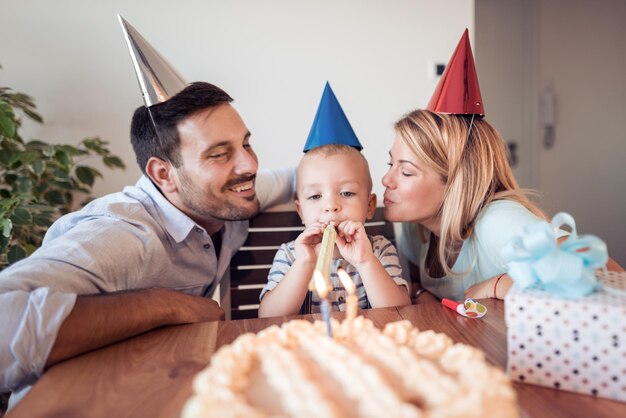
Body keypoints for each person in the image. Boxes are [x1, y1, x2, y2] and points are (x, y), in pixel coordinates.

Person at [0, 21, 294, 397]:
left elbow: (301, 175)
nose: (249, 165)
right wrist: (163, 304)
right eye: (220, 154)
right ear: (163, 174)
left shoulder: (226, 196)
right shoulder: (121, 234)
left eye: (246, 144)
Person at [383, 30, 623, 304]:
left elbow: (603, 272)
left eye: (406, 171)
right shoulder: (418, 229)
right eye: (391, 163)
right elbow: (415, 286)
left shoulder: (497, 221)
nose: (386, 180)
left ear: (457, 181)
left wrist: (499, 284)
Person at [258, 83, 410, 317]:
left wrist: (365, 262)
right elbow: (267, 318)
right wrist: (304, 264)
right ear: (300, 211)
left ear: (370, 206)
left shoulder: (378, 250)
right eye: (315, 196)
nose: (330, 205)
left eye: (347, 193)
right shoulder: (291, 255)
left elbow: (399, 312)